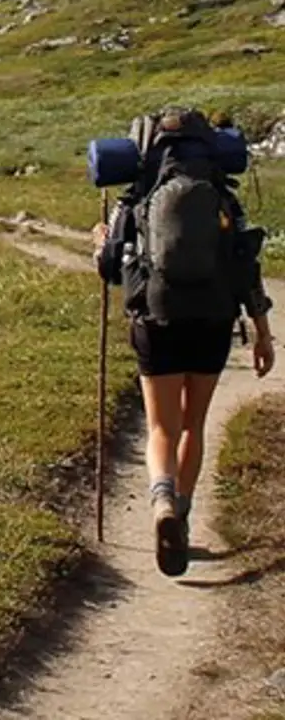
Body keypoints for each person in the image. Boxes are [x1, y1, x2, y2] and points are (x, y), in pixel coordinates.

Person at [94, 110, 275, 578]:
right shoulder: (222, 197)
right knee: (194, 425)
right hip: (213, 319)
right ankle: (184, 515)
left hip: (157, 318)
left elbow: (112, 267)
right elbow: (244, 265)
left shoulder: (139, 194)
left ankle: (161, 507)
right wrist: (262, 332)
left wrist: (100, 243)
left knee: (161, 428)